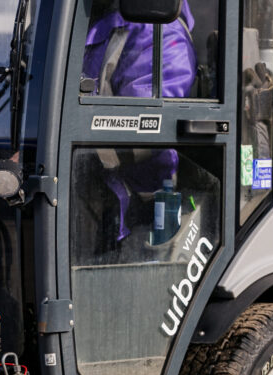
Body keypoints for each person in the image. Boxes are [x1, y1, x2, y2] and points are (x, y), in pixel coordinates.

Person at [80, 1, 197, 247]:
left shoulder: (158, 30)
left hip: (140, 208)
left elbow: (145, 128)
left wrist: (71, 156)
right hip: (95, 197)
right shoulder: (88, 23)